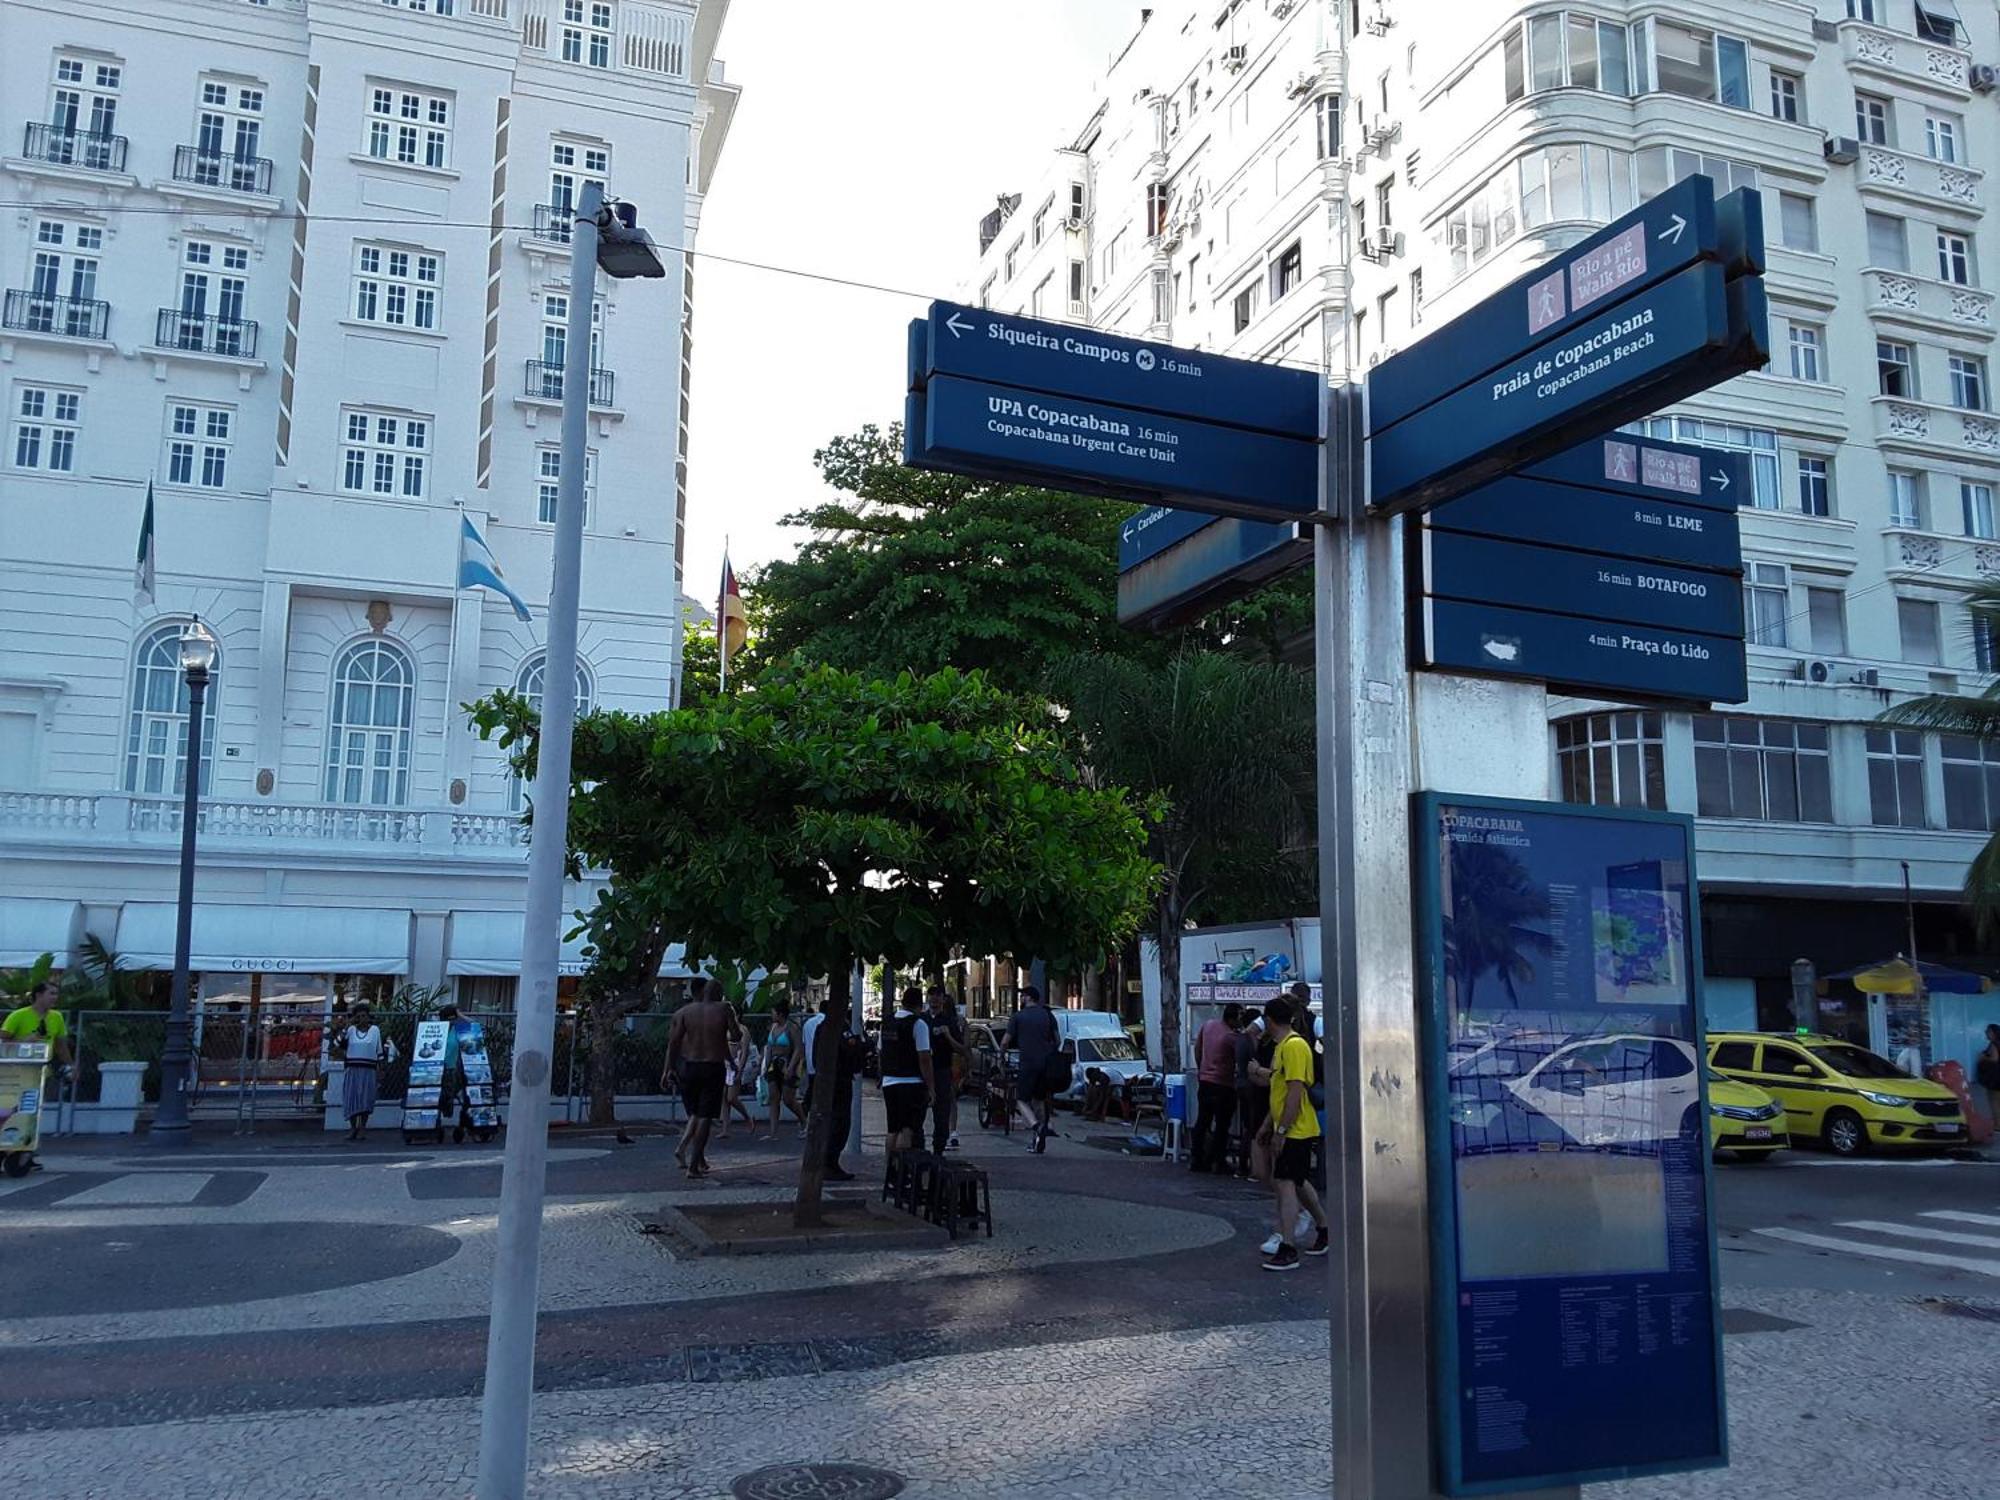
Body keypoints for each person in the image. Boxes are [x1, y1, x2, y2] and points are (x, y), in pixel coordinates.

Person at [1257, 995, 1329, 1271]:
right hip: (1290, 1126)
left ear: (1269, 1019)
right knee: (1297, 1181)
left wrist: (1282, 1130)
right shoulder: (1283, 1047)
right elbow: (1280, 1091)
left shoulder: (1294, 1047)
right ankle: (1323, 1228)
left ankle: (1288, 1246)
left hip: (1296, 1129)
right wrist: (1269, 1126)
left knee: (1286, 1183)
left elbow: (1295, 1091)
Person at [665, 979, 739, 1179]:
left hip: (689, 1066)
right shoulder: (724, 1009)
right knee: (705, 1116)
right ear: (718, 993)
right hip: (712, 1067)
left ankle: (696, 1159)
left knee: (695, 1114)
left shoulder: (685, 1012)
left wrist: (669, 1068)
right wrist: (731, 1018)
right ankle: (694, 1165)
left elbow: (674, 1042)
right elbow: (736, 1035)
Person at [800, 995, 857, 1180]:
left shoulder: (819, 1027)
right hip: (839, 1082)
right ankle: (829, 1163)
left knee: (831, 1121)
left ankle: (828, 1162)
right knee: (839, 1123)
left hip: (825, 1079)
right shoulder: (839, 1027)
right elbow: (851, 1052)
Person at [1004, 984, 1061, 1154]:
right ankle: (1038, 1139)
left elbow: (1006, 1041)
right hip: (1046, 1065)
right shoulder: (1048, 1015)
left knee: (1021, 1100)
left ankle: (1037, 1127)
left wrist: (1001, 1053)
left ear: (1028, 997)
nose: (1021, 999)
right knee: (1039, 1100)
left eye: (1022, 996)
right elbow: (1057, 1041)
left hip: (1027, 1063)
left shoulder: (1018, 1017)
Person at [879, 986, 935, 1152]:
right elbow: (924, 1058)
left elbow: (881, 1051)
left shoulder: (887, 1022)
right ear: (919, 1005)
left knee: (892, 1129)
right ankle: (903, 1169)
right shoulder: (918, 1024)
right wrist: (931, 1088)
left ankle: (890, 1168)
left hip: (889, 1082)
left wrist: (882, 1075)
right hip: (911, 1083)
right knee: (908, 1129)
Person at [1191, 1003, 1241, 1173]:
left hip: (1205, 1081)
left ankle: (1197, 1159)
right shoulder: (1231, 1037)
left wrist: (1201, 1069)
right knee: (1222, 1125)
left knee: (1202, 1121)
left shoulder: (1208, 1026)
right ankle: (1217, 1160)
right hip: (1223, 1083)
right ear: (1233, 1019)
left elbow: (1197, 1049)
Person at [338, 1003, 397, 1142]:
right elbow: (338, 1043)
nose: (361, 1019)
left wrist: (381, 1069)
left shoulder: (374, 1030)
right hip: (352, 1069)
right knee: (351, 1098)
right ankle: (353, 1128)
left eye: (363, 1016)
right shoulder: (351, 1030)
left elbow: (379, 1050)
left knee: (365, 1099)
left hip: (368, 1069)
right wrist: (347, 1026)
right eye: (358, 1016)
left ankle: (363, 1127)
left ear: (368, 1017)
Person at [926, 985, 967, 1154]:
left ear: (943, 999)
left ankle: (938, 1150)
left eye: (938, 996)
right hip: (922, 1071)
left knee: (942, 1112)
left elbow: (962, 1048)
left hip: (942, 1070)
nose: (934, 999)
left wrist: (947, 1035)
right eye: (931, 995)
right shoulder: (921, 1019)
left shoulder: (949, 1021)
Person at [760, 997, 805, 1140]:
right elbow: (769, 1048)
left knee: (788, 1098)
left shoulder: (791, 1028)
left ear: (780, 1014)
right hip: (774, 1064)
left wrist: (791, 1067)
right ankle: (773, 1132)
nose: (772, 1015)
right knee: (774, 1097)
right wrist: (766, 1065)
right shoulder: (773, 1027)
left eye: (773, 1013)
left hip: (787, 1063)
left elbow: (798, 1049)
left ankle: (804, 1121)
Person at [2, 980, 72, 1071]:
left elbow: (61, 1046)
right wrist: (23, 1041)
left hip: (44, 1069)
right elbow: (2, 1044)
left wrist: (71, 1066)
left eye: (56, 994)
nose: (55, 997)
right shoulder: (18, 1015)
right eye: (51, 993)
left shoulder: (57, 1016)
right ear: (39, 995)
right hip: (19, 1069)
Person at [1234, 1005, 1266, 1179]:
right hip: (1252, 1085)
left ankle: (1242, 1165)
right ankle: (1254, 1166)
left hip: (1240, 1083)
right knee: (1253, 1126)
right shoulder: (1251, 1040)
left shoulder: (1239, 1039)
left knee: (1246, 1126)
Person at [719, 1009, 755, 1139]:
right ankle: (725, 1129)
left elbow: (744, 1052)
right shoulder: (726, 1028)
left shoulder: (743, 1030)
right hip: (725, 1064)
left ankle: (747, 1117)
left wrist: (740, 1070)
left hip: (736, 1064)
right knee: (724, 1097)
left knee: (731, 1097)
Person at [1978, 1023, 2000, 1128]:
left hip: (1995, 1078)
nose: (1985, 1033)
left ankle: (1997, 1125)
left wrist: (1983, 1058)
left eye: (1988, 1031)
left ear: (1993, 1033)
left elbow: (1995, 1059)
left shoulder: (1993, 1044)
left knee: (1994, 1101)